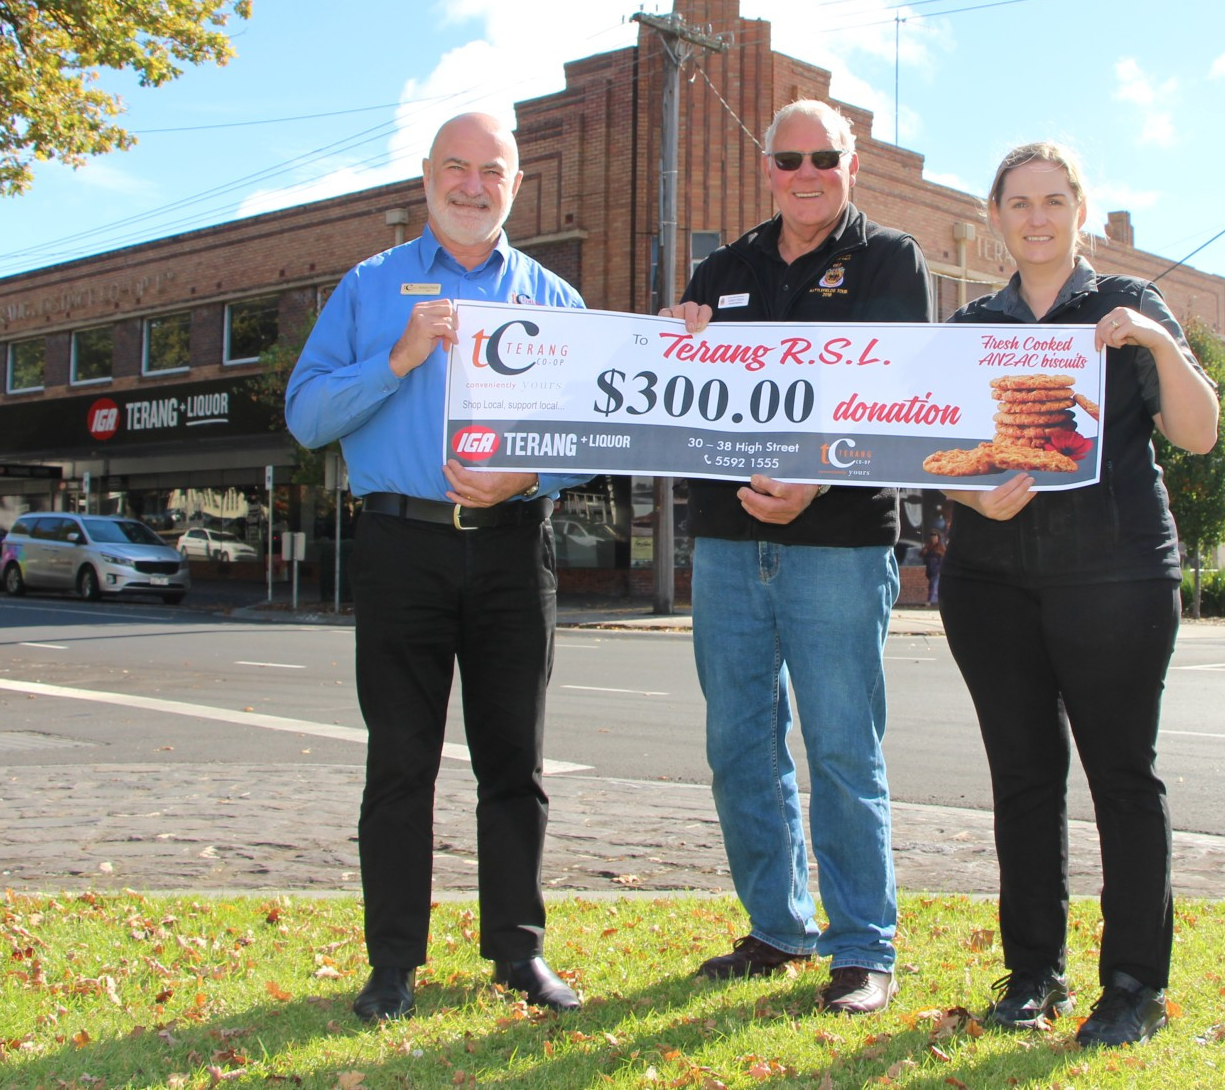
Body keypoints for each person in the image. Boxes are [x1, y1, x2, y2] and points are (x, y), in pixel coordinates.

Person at [286, 112, 589, 1021]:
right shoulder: (369, 287)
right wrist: (397, 358)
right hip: (399, 546)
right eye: (455, 167)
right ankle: (392, 965)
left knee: (514, 762)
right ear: (425, 178)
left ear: (515, 184)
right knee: (401, 762)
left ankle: (517, 954)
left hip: (511, 548)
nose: (471, 185)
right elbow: (305, 414)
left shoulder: (554, 298)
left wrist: (527, 474)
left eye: (490, 170)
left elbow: (593, 429)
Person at [936, 141, 1216, 1048]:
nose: (1037, 217)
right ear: (995, 219)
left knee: (1122, 779)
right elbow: (932, 447)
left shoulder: (1129, 309)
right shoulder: (973, 325)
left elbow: (1198, 433)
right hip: (990, 582)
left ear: (1080, 210)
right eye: (1018, 202)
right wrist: (967, 489)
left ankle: (1134, 982)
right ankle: (1032, 974)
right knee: (1022, 778)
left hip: (1118, 576)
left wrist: (1161, 343)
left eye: (1053, 200)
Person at [660, 99, 933, 1014]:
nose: (806, 172)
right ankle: (777, 928)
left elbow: (894, 392)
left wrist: (814, 477)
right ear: (765, 166)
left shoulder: (892, 259)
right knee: (739, 743)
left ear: (851, 162)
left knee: (841, 747)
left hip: (839, 546)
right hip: (730, 546)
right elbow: (685, 395)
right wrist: (677, 336)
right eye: (788, 158)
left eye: (824, 156)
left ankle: (862, 947)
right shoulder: (722, 267)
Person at [921, 525, 946, 604]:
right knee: (934, 584)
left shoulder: (940, 547)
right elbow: (921, 554)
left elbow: (944, 556)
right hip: (930, 569)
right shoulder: (928, 546)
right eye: (932, 536)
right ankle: (935, 600)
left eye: (935, 536)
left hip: (937, 569)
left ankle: (930, 600)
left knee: (933, 584)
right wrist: (924, 552)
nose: (933, 538)